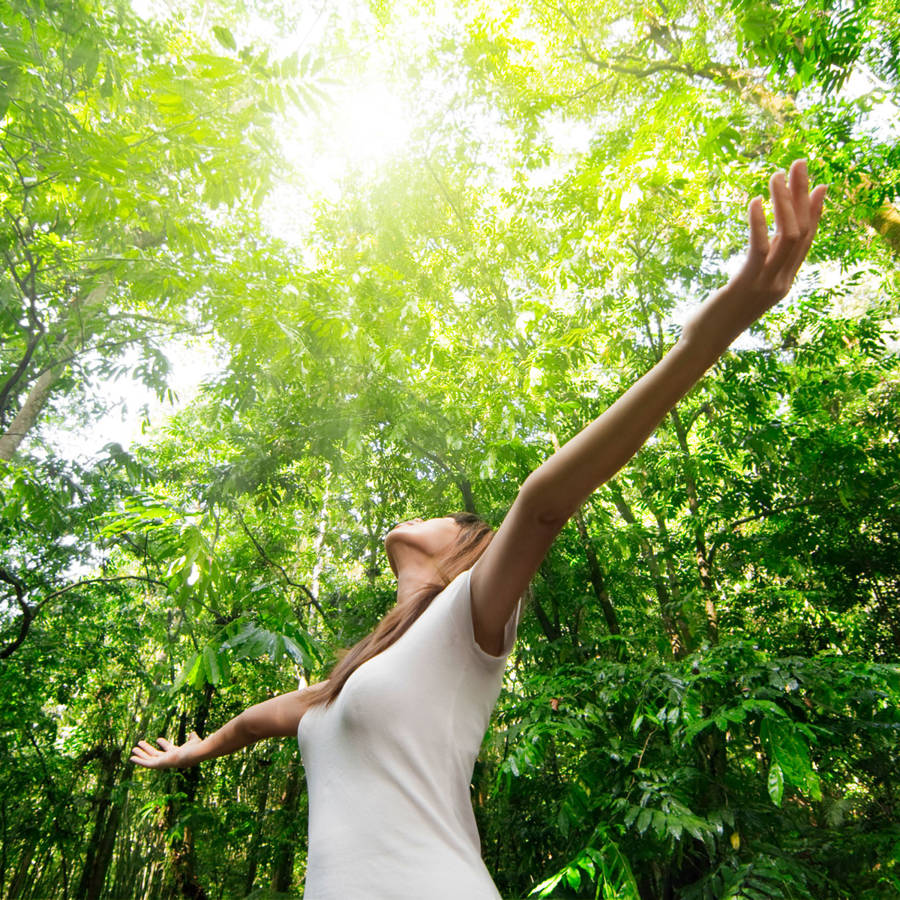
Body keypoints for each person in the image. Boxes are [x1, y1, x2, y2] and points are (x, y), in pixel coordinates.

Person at [131, 161, 827, 898]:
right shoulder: (340, 687)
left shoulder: (469, 618)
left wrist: (709, 332)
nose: (421, 515)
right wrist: (191, 752)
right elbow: (251, 721)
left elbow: (543, 501)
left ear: (462, 551)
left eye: (448, 517)